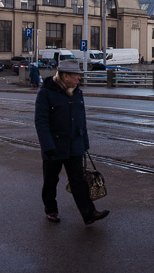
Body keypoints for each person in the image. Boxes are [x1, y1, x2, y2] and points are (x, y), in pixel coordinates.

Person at [34, 59, 109, 225]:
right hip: (54, 146)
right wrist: (47, 146)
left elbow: (81, 120)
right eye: (76, 75)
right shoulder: (47, 92)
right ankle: (51, 210)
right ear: (65, 76)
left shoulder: (77, 92)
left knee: (78, 181)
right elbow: (41, 121)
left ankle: (89, 213)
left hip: (74, 145)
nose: (79, 78)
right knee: (50, 181)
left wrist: (84, 143)